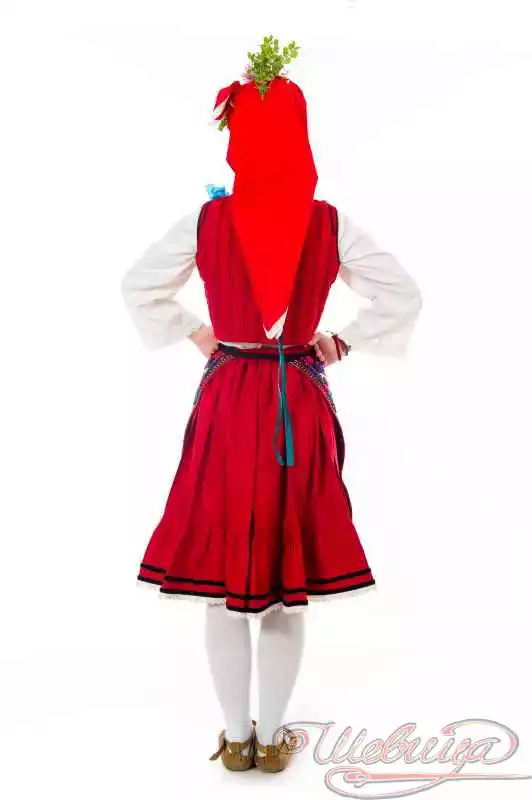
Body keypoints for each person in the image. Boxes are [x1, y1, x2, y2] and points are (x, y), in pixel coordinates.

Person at [121, 36, 422, 773]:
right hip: (296, 399)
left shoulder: (206, 222)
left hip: (230, 398)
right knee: (286, 584)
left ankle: (236, 737)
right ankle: (273, 734)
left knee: (227, 579)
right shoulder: (329, 222)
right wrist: (338, 342)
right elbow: (402, 293)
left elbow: (139, 284)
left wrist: (199, 332)